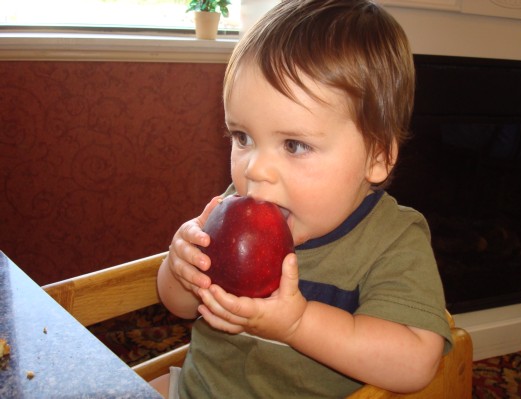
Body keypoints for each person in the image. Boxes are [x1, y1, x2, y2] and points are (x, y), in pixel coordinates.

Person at [153, 0, 452, 397]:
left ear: (377, 157)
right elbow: (180, 306)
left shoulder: (392, 242)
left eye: (293, 144)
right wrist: (180, 270)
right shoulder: (234, 206)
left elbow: (416, 362)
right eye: (242, 137)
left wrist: (298, 324)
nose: (254, 170)